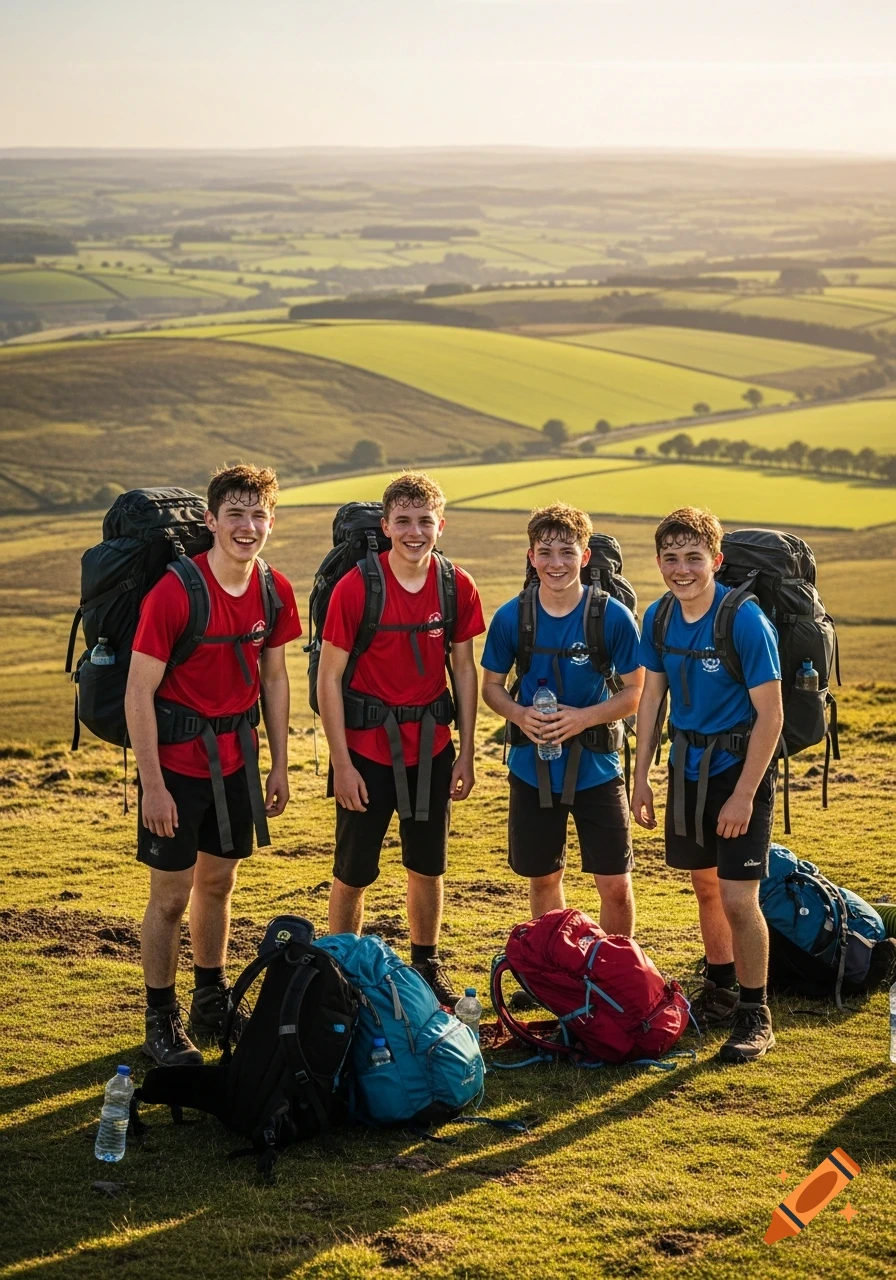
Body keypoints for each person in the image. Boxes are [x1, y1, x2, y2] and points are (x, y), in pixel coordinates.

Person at [126, 464, 302, 1066]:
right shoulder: (175, 591)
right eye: (236, 514)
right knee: (171, 896)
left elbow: (274, 678)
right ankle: (160, 1017)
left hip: (235, 765)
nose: (247, 527)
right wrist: (153, 786)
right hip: (173, 768)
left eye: (258, 515)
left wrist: (279, 764)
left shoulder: (274, 589)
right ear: (211, 520)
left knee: (219, 884)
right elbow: (137, 692)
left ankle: (210, 998)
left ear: (271, 523)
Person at [316, 472, 484, 1008]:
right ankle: (340, 970)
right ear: (386, 525)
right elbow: (328, 679)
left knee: (427, 864)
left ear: (441, 525)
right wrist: (341, 764)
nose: (415, 532)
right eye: (404, 521)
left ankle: (426, 963)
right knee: (353, 869)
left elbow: (463, 667)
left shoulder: (457, 585)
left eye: (425, 521)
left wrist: (469, 752)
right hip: (364, 754)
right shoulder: (355, 587)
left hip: (433, 750)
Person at [631, 506, 783, 1064]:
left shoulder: (744, 620)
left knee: (740, 897)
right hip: (686, 769)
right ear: (659, 563)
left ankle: (755, 1012)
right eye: (671, 558)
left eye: (694, 557)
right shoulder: (660, 617)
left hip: (739, 771)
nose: (681, 569)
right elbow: (651, 699)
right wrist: (642, 776)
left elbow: (772, 715)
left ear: (716, 561)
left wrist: (744, 794)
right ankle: (719, 989)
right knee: (704, 884)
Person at [481, 504, 643, 932]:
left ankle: (615, 975)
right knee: (544, 878)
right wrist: (519, 714)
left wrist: (583, 718)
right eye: (546, 552)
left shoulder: (612, 616)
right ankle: (560, 970)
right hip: (531, 770)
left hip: (597, 769)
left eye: (567, 552)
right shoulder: (511, 617)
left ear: (585, 556)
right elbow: (491, 687)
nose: (557, 563)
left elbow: (635, 692)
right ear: (531, 556)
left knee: (615, 885)